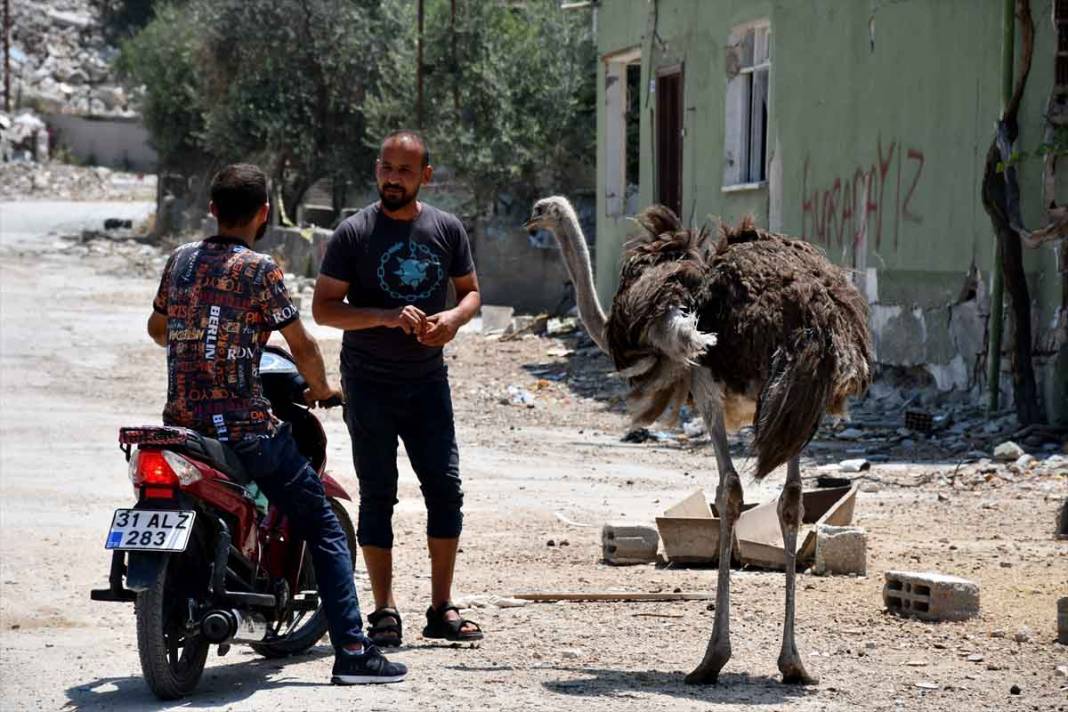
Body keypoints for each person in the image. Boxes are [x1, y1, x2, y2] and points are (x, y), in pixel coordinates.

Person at [147, 163, 407, 685]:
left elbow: (158, 329)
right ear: (264, 213)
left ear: (213, 209)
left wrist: (198, 331)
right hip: (244, 428)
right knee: (327, 528)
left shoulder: (179, 261)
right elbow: (303, 344)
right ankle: (355, 652)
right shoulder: (260, 269)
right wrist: (324, 389)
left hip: (181, 426)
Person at [312, 131, 483, 647]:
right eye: (386, 168)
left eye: (404, 170)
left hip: (428, 382)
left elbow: (471, 292)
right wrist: (385, 317)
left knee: (445, 491)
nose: (392, 178)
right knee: (377, 495)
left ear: (425, 175)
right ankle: (383, 609)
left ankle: (441, 607)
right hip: (369, 384)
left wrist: (452, 320)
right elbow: (324, 309)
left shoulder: (447, 229)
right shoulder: (354, 233)